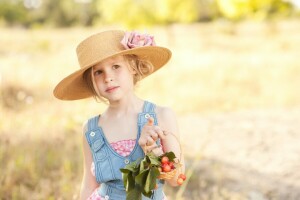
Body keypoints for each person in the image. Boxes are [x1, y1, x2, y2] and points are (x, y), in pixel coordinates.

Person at [53, 30, 185, 200]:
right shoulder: (91, 129)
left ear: (133, 67)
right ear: (91, 81)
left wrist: (154, 151)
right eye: (98, 72)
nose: (108, 77)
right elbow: (89, 184)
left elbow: (176, 179)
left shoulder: (162, 116)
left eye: (116, 66)